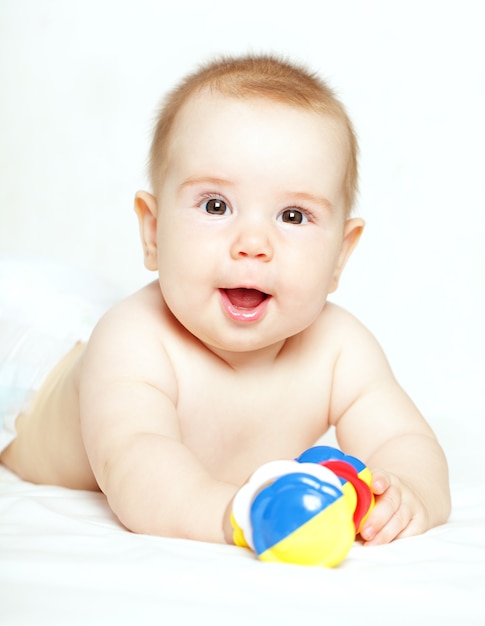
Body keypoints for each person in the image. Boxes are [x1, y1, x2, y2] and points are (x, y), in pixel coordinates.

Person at [0, 54, 450, 549]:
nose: (253, 243)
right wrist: (237, 513)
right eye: (216, 206)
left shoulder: (341, 349)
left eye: (294, 216)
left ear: (340, 256)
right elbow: (137, 465)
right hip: (26, 380)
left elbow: (404, 442)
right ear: (153, 232)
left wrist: (410, 494)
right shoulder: (133, 340)